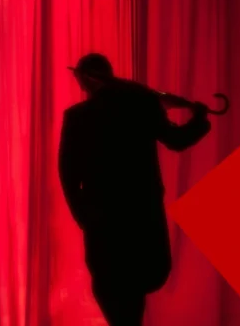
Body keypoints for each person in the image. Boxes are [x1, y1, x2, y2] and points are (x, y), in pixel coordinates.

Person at [58, 53, 212, 326]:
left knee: (111, 287)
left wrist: (83, 215)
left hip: (102, 219)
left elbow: (68, 173)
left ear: (86, 79)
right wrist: (199, 119)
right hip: (142, 214)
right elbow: (177, 140)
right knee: (135, 285)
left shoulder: (78, 117)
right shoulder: (142, 103)